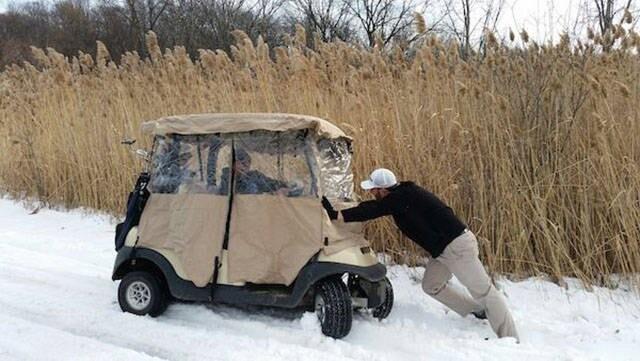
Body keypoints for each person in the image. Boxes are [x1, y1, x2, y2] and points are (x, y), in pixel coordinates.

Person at [321, 168, 519, 340]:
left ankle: (509, 338)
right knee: (431, 286)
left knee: (484, 291)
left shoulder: (400, 198)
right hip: (444, 250)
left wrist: (339, 215)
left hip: (457, 247)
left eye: (373, 189)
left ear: (382, 189)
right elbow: (374, 206)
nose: (371, 192)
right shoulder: (402, 194)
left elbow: (373, 210)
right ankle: (476, 310)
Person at [219, 148, 291, 195]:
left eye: (248, 164)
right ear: (233, 163)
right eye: (243, 163)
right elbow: (242, 197)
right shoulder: (226, 179)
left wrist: (285, 185)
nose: (246, 167)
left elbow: (269, 183)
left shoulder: (254, 175)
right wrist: (273, 194)